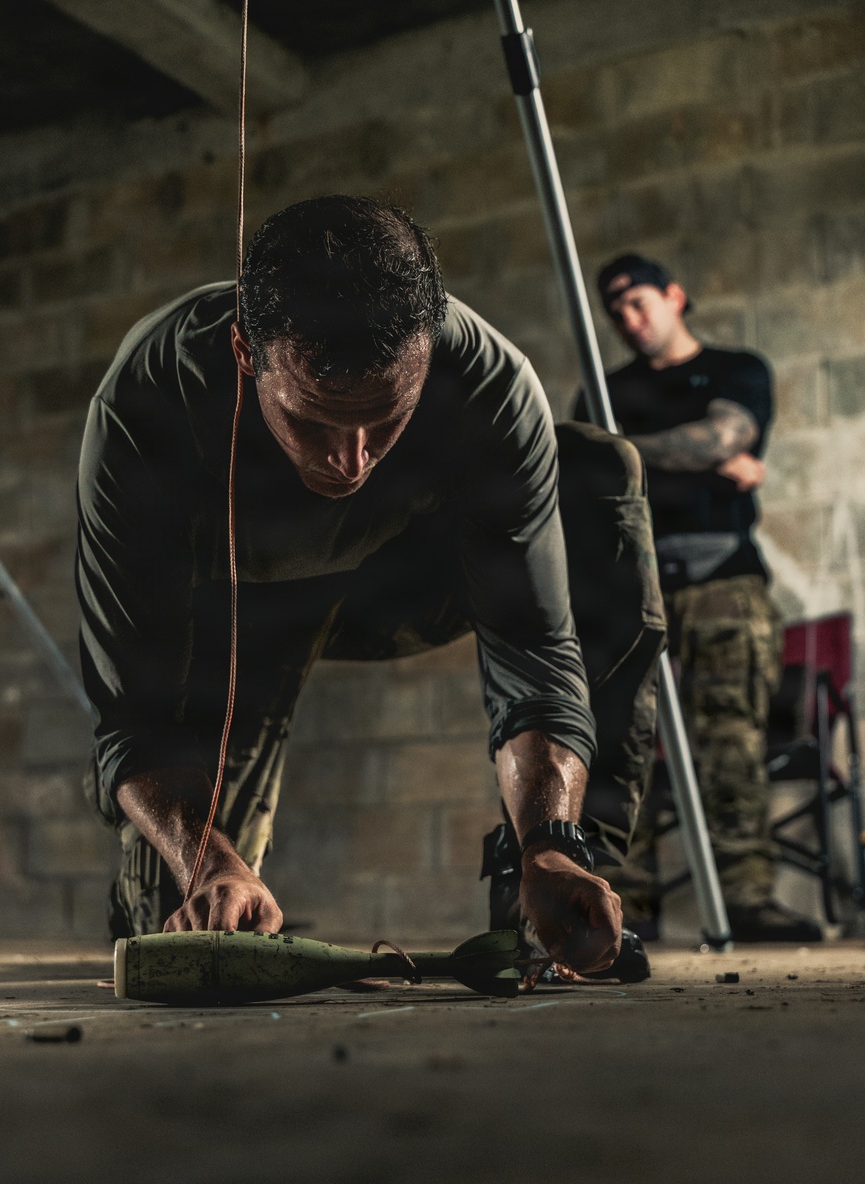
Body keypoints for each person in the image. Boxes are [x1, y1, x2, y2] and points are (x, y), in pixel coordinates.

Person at [76, 197, 664, 977]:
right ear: (246, 350)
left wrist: (550, 839)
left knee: (598, 475)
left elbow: (535, 650)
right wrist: (204, 857)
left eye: (384, 421)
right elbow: (134, 716)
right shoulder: (147, 407)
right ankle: (175, 877)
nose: (349, 462)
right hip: (241, 612)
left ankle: (557, 892)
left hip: (399, 582)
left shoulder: (487, 384)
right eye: (312, 422)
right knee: (198, 924)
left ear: (426, 354)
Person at [579, 252, 822, 943]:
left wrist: (626, 448)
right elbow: (583, 472)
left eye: (640, 302)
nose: (629, 319)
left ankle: (746, 897)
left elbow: (723, 434)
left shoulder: (737, 369)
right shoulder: (602, 390)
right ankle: (625, 907)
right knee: (622, 740)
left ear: (675, 295)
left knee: (730, 736)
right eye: (616, 310)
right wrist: (705, 462)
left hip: (724, 581)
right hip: (636, 584)